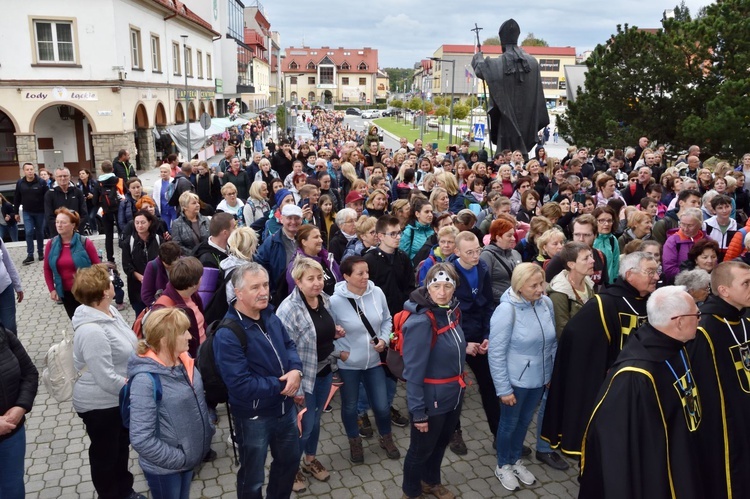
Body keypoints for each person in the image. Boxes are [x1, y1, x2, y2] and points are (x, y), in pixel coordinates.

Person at [579, 286, 705, 498]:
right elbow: (619, 448)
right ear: (679, 321)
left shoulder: (676, 347)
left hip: (683, 451)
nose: (700, 319)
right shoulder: (636, 375)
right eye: (697, 314)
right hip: (659, 471)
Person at [541, 252, 659, 458]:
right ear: (630, 274)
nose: (656, 276)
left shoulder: (650, 301)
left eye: (656, 271)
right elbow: (574, 338)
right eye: (650, 272)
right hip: (612, 390)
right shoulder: (605, 303)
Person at [213, 262, 303, 499]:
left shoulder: (270, 314)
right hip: (255, 416)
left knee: (289, 462)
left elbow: (288, 344)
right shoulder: (228, 334)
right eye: (255, 287)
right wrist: (283, 385)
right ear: (238, 293)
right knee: (253, 477)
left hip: (285, 410)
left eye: (265, 284)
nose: (264, 291)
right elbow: (240, 384)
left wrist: (296, 370)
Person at [71, 264, 143, 499]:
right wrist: (138, 388)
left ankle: (125, 490)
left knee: (120, 450)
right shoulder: (92, 331)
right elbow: (105, 378)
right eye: (110, 282)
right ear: (104, 292)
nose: (114, 284)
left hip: (118, 399)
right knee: (106, 456)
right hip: (101, 405)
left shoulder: (110, 312)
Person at [127, 308, 214, 499]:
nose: (190, 336)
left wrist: (207, 428)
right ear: (166, 339)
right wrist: (180, 458)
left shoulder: (184, 362)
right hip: (166, 469)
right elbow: (141, 438)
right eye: (183, 332)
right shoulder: (145, 381)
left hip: (189, 457)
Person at [276, 257, 346, 492]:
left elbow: (321, 330)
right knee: (305, 423)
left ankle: (309, 460)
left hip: (325, 371)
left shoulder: (324, 300)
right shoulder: (288, 309)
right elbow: (283, 350)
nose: (317, 283)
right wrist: (294, 386)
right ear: (298, 281)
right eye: (311, 279)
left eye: (319, 278)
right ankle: (290, 467)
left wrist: (334, 333)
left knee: (315, 421)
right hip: (303, 377)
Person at [489, 263, 556, 491]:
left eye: (542, 283)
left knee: (524, 422)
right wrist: (503, 389)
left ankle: (515, 460)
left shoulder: (546, 304)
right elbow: (496, 352)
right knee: (508, 424)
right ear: (519, 286)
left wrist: (551, 372)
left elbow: (552, 342)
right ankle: (502, 465)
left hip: (539, 378)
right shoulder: (507, 310)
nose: (540, 289)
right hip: (515, 382)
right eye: (534, 285)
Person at [401, 263, 466, 499]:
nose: (442, 292)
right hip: (432, 400)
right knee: (420, 450)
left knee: (440, 444)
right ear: (427, 287)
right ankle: (410, 492)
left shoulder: (452, 311)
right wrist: (418, 411)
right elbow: (413, 373)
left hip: (454, 394)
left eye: (447, 286)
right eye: (436, 286)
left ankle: (430, 481)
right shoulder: (421, 323)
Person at [688, 261, 750, 499]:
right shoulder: (704, 329)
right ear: (724, 291)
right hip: (723, 427)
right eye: (745, 283)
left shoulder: (743, 321)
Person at [329, 256, 400, 464]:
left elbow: (387, 319)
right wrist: (340, 353)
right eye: (360, 273)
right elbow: (326, 332)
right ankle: (354, 442)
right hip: (348, 365)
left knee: (381, 405)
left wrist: (384, 340)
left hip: (374, 362)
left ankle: (386, 437)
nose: (366, 277)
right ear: (346, 276)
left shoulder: (377, 293)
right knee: (350, 407)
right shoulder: (334, 302)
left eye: (367, 272)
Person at [447, 232, 498, 454]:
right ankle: (453, 432)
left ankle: (499, 434)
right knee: (455, 389)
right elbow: (444, 315)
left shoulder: (482, 269)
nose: (476, 255)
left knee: (490, 385)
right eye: (470, 252)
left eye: (478, 250)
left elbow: (488, 305)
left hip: (479, 336)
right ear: (457, 252)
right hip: (457, 339)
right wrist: (463, 343)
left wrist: (488, 335)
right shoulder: (447, 274)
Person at [471, 19, 549, 158]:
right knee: (521, 152)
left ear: (502, 40)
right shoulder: (533, 63)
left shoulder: (496, 63)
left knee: (505, 150)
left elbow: (481, 71)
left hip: (506, 120)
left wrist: (478, 58)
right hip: (527, 119)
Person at [0, 323, 38, 498]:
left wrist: (21, 406)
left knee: (12, 488)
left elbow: (29, 373)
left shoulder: (4, 335)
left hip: (12, 432)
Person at [43, 208, 100, 318]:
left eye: (63, 222)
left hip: (86, 291)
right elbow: (47, 269)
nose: (59, 225)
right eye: (57, 222)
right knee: (76, 322)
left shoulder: (85, 243)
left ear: (73, 225)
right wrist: (52, 289)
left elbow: (97, 267)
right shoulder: (51, 244)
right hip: (65, 293)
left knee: (91, 321)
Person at [151, 257, 204, 358]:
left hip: (200, 354)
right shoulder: (164, 309)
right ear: (193, 284)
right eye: (200, 276)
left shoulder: (192, 296)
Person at [255, 204, 304, 295]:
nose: (293, 222)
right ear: (281, 219)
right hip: (281, 293)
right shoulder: (271, 242)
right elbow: (260, 267)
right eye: (289, 218)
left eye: (296, 218)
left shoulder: (305, 239)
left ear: (301, 220)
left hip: (305, 290)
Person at [121, 210, 161, 316]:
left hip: (157, 287)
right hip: (136, 289)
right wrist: (142, 278)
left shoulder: (158, 240)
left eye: (143, 222)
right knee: (141, 317)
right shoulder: (128, 242)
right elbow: (127, 266)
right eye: (137, 222)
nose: (140, 225)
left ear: (150, 222)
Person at [285, 225, 342, 296]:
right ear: (304, 242)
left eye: (320, 237)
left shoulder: (328, 258)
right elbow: (297, 295)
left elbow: (340, 279)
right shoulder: (296, 266)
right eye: (316, 237)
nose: (321, 240)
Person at [480, 218, 522, 306]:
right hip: (499, 304)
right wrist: (507, 297)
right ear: (498, 237)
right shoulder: (487, 256)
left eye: (513, 235)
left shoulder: (515, 253)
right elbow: (485, 286)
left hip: (519, 301)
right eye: (509, 235)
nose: (513, 238)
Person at [14, 162, 49, 265]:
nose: (30, 171)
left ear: (34, 170)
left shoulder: (41, 182)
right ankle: (30, 255)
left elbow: (47, 198)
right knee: (28, 232)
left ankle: (41, 252)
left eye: (31, 169)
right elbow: (16, 198)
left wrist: (48, 211)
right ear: (24, 171)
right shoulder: (20, 183)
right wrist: (16, 213)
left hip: (40, 212)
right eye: (27, 170)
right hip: (27, 212)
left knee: (39, 232)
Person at [663, 207, 705, 283]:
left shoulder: (707, 241)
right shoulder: (673, 241)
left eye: (690, 225)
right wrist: (692, 277)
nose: (685, 229)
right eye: (682, 224)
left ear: (700, 224)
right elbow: (669, 269)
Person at [44, 167, 88, 237]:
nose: (63, 178)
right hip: (57, 234)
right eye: (60, 176)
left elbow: (84, 213)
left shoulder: (78, 192)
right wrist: (60, 228)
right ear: (55, 178)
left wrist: (75, 227)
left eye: (65, 176)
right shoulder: (49, 194)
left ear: (69, 177)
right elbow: (49, 216)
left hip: (76, 233)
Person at [140, 241, 181, 307]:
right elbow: (146, 295)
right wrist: (158, 307)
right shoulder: (152, 266)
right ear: (161, 259)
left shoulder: (184, 264)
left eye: (174, 264)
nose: (171, 267)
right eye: (168, 265)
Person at [0, 237, 22, 334]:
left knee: (10, 327)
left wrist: (17, 285)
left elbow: (8, 262)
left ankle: (12, 348)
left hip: (5, 288)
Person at [593, 206, 620, 285]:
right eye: (602, 220)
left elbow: (615, 264)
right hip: (593, 284)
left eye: (609, 220)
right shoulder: (590, 239)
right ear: (595, 221)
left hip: (609, 284)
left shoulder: (613, 239)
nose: (606, 224)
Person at [76, 168, 99, 235]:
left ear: (88, 174)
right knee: (87, 218)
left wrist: (93, 195)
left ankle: (95, 230)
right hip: (85, 204)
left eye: (83, 173)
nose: (81, 175)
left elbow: (99, 193)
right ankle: (92, 230)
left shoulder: (94, 183)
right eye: (80, 174)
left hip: (94, 203)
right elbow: (77, 194)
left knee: (91, 216)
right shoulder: (78, 184)